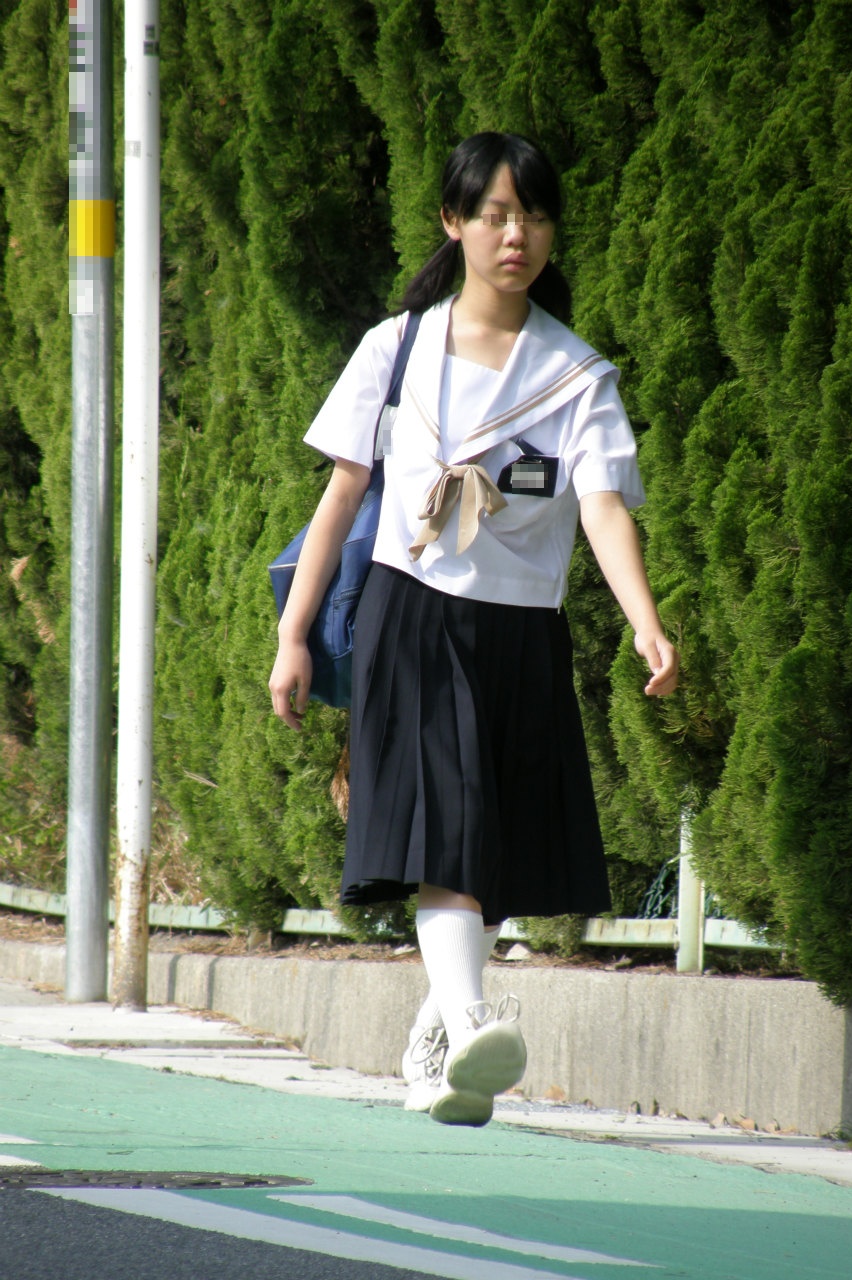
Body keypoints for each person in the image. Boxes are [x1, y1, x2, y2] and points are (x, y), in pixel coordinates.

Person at [269, 132, 678, 1127]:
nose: (515, 235)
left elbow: (603, 508)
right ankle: (471, 1017)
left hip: (523, 632)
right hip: (412, 615)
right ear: (453, 223)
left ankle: (433, 1039)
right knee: (449, 826)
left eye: (532, 216)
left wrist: (645, 621)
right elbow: (340, 498)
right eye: (494, 215)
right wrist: (293, 634)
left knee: (490, 845)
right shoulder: (397, 348)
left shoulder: (576, 375)